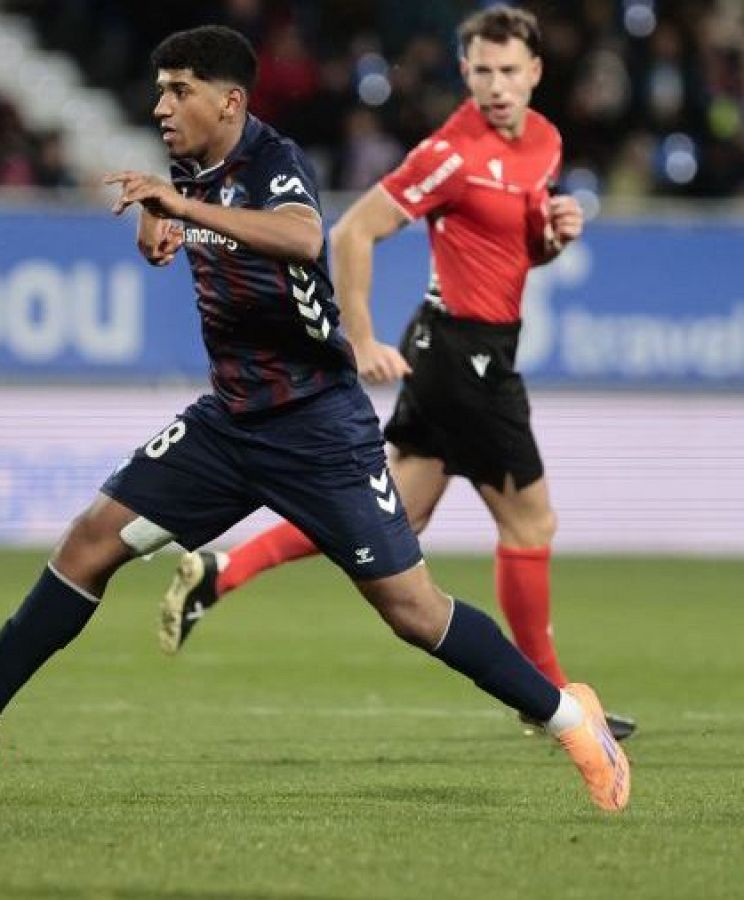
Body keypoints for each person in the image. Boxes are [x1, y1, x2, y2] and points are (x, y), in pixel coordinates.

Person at [0, 25, 630, 813]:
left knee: (412, 611)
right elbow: (193, 230)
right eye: (160, 89)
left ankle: (572, 721)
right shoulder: (189, 168)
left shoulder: (276, 163)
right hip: (230, 421)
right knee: (90, 542)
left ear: (229, 101)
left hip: (318, 430)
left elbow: (305, 238)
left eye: (179, 90)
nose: (161, 105)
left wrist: (182, 207)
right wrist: (164, 227)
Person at [159, 7, 637, 742]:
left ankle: (226, 569)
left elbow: (517, 249)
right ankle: (548, 698)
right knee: (530, 521)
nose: (497, 86)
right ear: (465, 71)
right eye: (481, 71)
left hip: (477, 346)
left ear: (536, 72)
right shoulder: (451, 150)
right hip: (462, 355)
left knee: (393, 519)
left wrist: (551, 236)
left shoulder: (545, 143)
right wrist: (362, 335)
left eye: (510, 71)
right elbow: (354, 230)